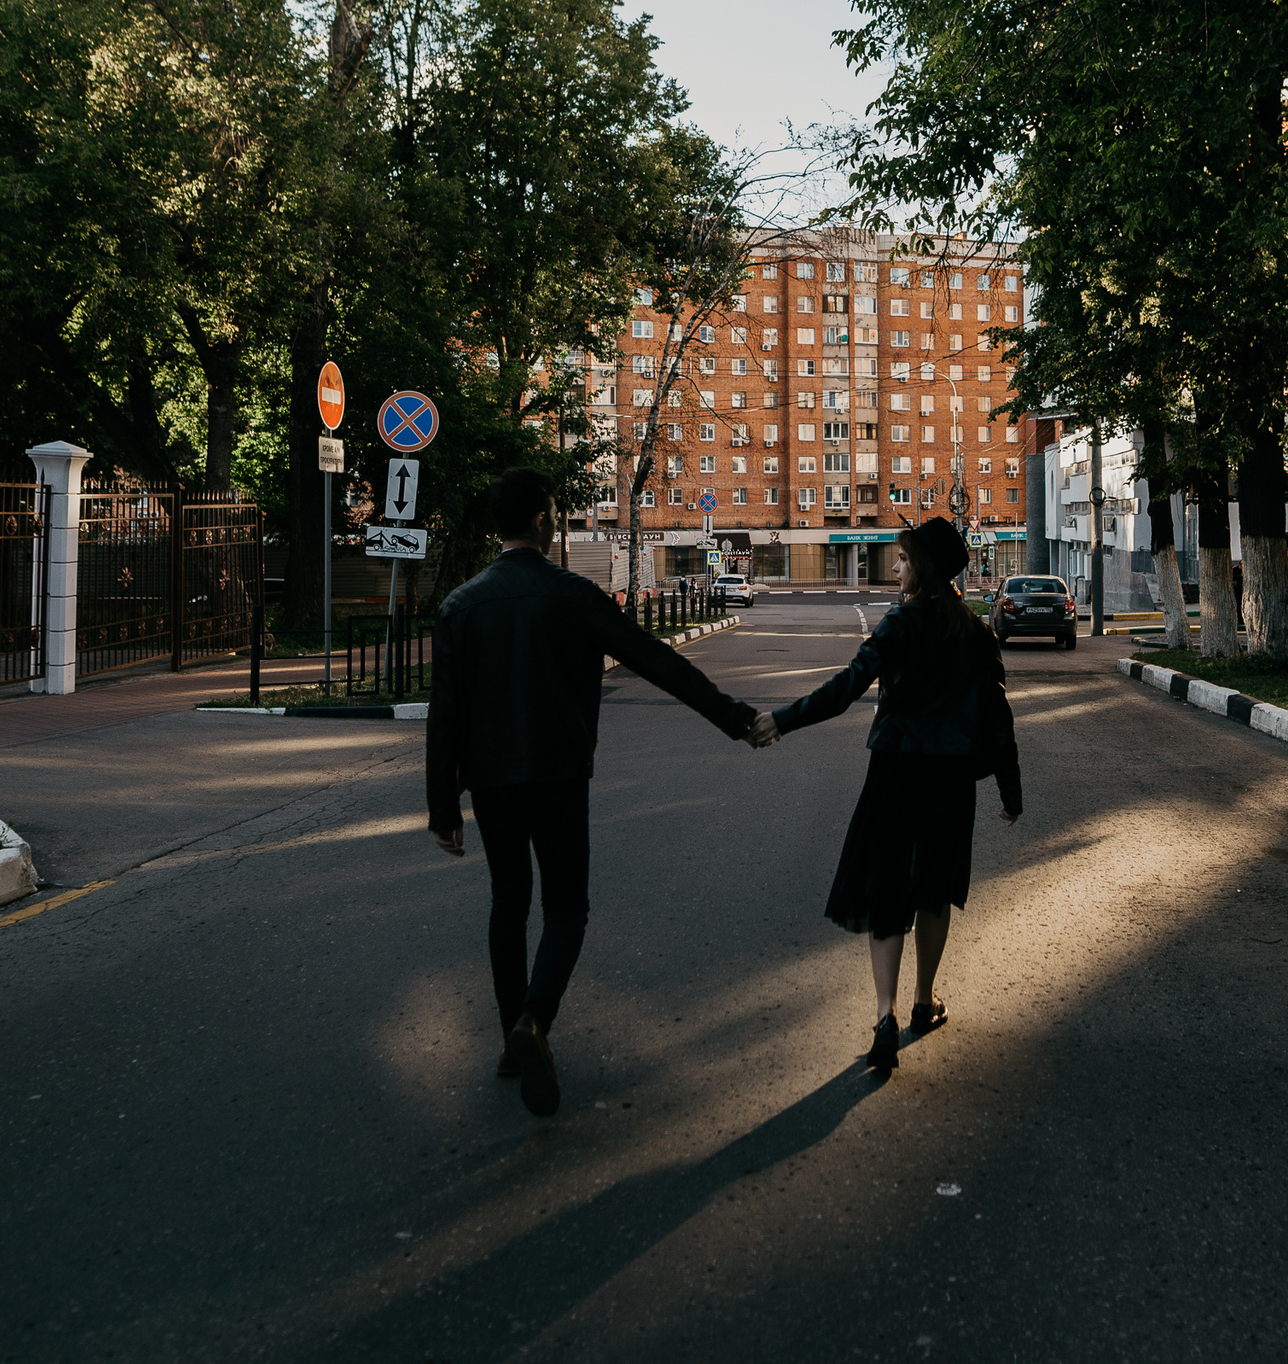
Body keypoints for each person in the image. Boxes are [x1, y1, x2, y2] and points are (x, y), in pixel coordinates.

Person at [428, 469, 760, 1117]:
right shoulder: (573, 594)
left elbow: (445, 712)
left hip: (491, 780)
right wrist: (736, 718)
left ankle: (509, 1039)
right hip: (558, 771)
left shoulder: (460, 606)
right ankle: (534, 1022)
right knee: (567, 909)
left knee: (507, 902)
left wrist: (443, 805)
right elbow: (656, 660)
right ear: (547, 520)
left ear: (500, 525)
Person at [747, 517, 1022, 1073]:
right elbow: (998, 717)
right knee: (935, 889)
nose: (894, 569)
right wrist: (1011, 791)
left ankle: (884, 1016)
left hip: (895, 771)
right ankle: (925, 1002)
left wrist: (781, 719)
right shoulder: (974, 631)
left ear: (920, 566)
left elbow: (845, 689)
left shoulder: (900, 625)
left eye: (900, 560)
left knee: (888, 885)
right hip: (949, 779)